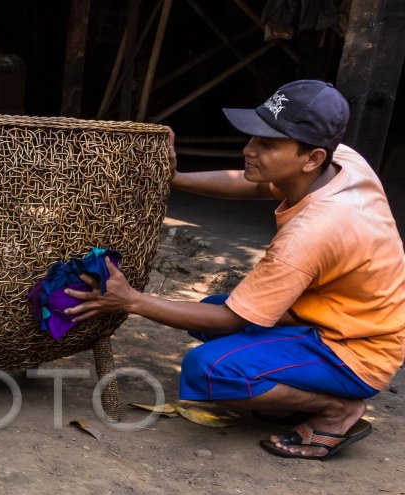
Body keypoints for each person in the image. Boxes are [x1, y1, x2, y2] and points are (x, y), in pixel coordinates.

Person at [66, 79, 405, 460]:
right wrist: (172, 179)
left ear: (312, 157)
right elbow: (262, 187)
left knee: (207, 368)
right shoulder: (341, 161)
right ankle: (294, 394)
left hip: (356, 350)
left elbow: (228, 319)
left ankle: (336, 410)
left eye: (267, 144)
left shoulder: (312, 232)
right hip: (337, 318)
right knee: (207, 309)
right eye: (254, 137)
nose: (249, 150)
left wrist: (130, 300)